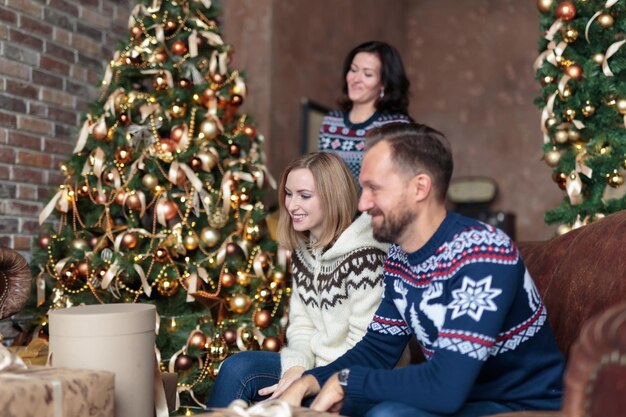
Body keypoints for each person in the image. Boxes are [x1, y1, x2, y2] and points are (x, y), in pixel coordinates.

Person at [280, 123, 565, 417]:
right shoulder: (398, 258)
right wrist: (309, 382)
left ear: (420, 187)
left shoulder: (484, 254)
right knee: (307, 403)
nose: (363, 204)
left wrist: (346, 381)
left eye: (374, 189)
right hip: (460, 398)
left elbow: (445, 386)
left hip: (519, 404)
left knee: (388, 414)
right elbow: (377, 350)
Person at [206, 152, 388, 407]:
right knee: (237, 367)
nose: (291, 206)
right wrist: (296, 367)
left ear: (332, 196)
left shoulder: (365, 259)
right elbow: (301, 326)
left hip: (349, 375)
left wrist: (309, 381)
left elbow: (364, 348)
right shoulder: (305, 250)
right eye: (288, 194)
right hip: (312, 364)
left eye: (304, 195)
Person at [318, 40, 412, 183]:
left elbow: (400, 181)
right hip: (333, 205)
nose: (356, 79)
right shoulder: (331, 121)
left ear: (383, 84)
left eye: (367, 74)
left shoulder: (395, 125)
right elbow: (321, 175)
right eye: (353, 70)